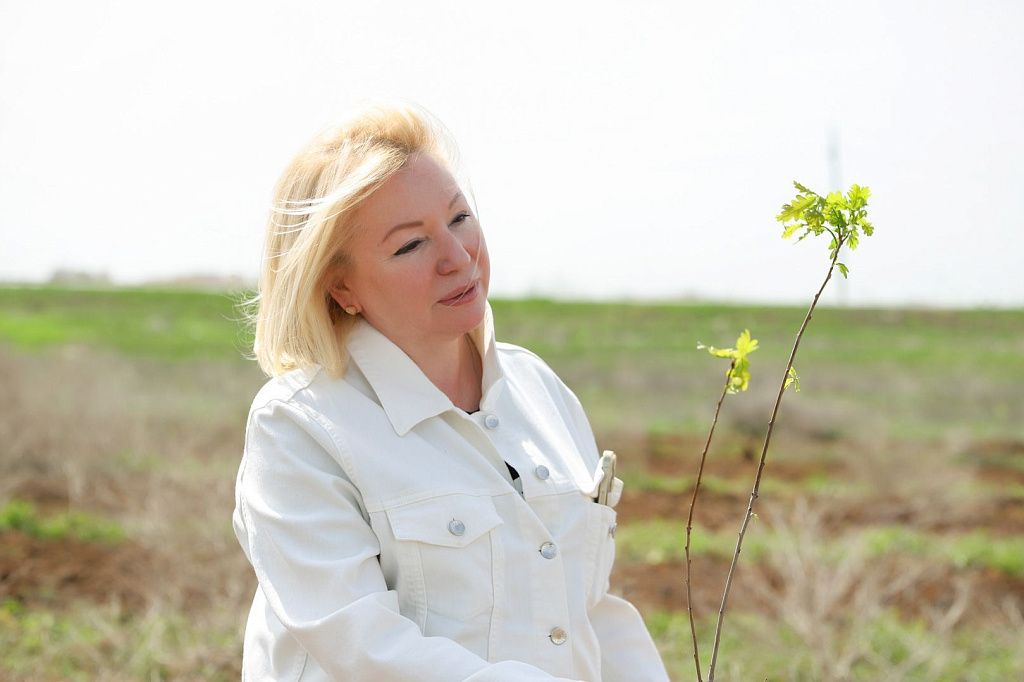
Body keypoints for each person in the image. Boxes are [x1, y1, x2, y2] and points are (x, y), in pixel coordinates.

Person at [232, 102, 670, 681]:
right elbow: (363, 646)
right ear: (342, 289)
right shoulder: (299, 428)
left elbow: (589, 610)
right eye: (410, 245)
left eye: (459, 218)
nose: (458, 256)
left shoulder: (538, 389)